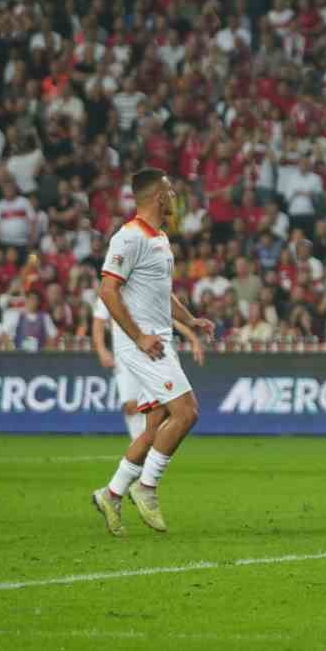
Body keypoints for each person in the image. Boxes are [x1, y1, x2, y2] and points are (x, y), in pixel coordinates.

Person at [90, 169, 215, 537]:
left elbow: (161, 294)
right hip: (144, 345)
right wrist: (139, 336)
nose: (175, 196)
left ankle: (111, 494)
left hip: (161, 341)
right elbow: (107, 291)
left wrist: (191, 320)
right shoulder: (128, 238)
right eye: (171, 190)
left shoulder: (158, 238)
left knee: (153, 428)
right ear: (159, 197)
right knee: (187, 411)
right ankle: (145, 487)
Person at [93, 293, 206, 442]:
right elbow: (99, 321)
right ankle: (141, 445)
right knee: (130, 406)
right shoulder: (110, 290)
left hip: (153, 353)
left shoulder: (145, 286)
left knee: (160, 406)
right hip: (125, 355)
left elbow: (168, 316)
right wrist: (101, 350)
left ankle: (149, 448)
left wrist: (192, 338)